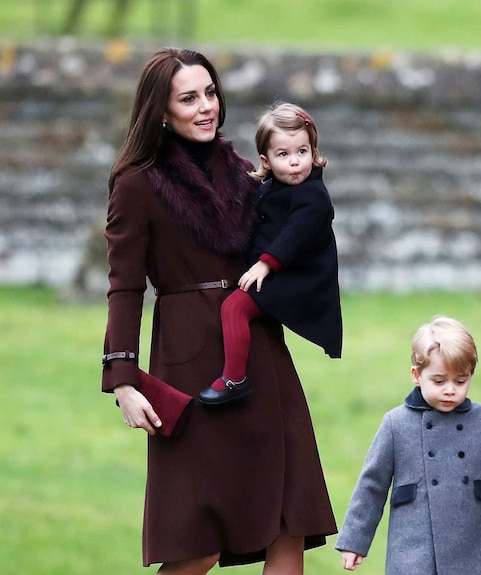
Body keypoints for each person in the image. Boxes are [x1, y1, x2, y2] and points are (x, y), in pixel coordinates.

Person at [102, 48, 337, 574]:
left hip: (259, 351)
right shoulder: (136, 184)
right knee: (198, 542)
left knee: (287, 524)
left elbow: (302, 222)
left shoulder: (243, 170)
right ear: (161, 111)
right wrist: (122, 380)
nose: (206, 106)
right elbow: (124, 286)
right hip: (189, 366)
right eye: (189, 98)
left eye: (210, 93)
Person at [335, 316, 481, 575]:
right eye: (439, 381)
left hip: (475, 550)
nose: (450, 390)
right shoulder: (396, 424)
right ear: (417, 375)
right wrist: (354, 542)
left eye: (460, 381)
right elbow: (371, 486)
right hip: (415, 552)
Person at [199, 103, 342, 405]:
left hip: (297, 278)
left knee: (234, 308)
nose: (294, 163)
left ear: (313, 152)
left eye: (302, 152)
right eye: (283, 155)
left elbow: (295, 234)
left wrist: (265, 264)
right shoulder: (270, 188)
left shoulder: (313, 196)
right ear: (266, 160)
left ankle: (234, 379)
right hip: (279, 272)